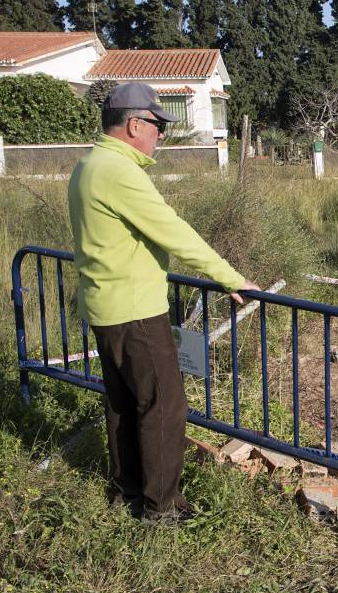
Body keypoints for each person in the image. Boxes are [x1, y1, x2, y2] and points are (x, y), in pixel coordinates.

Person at [67, 83, 260, 522]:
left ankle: (128, 490)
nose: (160, 136)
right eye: (157, 126)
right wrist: (230, 277)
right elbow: (172, 231)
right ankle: (162, 507)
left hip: (103, 304)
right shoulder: (118, 171)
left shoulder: (89, 164)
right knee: (164, 407)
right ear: (134, 124)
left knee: (122, 404)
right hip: (135, 309)